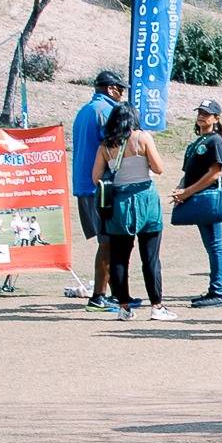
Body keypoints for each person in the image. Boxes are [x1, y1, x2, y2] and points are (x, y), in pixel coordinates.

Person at [93, 104, 170, 320]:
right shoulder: (142, 138)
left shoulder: (106, 146)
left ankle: (124, 307)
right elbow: (158, 168)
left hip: (118, 203)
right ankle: (156, 306)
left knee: (119, 257)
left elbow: (95, 178)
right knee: (151, 257)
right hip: (146, 200)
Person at [70, 70, 127, 308]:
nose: (122, 95)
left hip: (84, 185)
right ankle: (98, 297)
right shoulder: (106, 111)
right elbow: (113, 147)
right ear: (111, 89)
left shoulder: (83, 111)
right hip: (101, 187)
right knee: (109, 242)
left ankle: (115, 294)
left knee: (108, 241)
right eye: (120, 90)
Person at [168, 100, 222, 306]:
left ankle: (217, 292)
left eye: (208, 113)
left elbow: (215, 173)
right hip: (197, 196)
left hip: (208, 197)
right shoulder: (198, 142)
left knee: (215, 246)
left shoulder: (214, 141)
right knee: (211, 246)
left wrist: (187, 192)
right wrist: (180, 190)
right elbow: (189, 173)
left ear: (216, 119)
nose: (202, 116)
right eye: (201, 112)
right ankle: (214, 289)